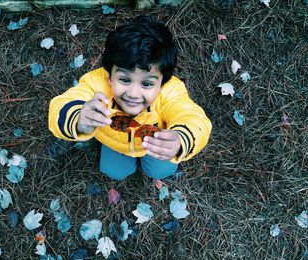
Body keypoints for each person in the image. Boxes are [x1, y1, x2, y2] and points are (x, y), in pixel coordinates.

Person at [48, 15, 212, 181]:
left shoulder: (170, 92)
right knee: (114, 172)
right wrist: (78, 118)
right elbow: (62, 104)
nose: (133, 93)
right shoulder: (96, 84)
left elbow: (192, 118)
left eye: (147, 84)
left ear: (162, 84)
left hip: (154, 145)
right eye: (125, 80)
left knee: (160, 171)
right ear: (109, 77)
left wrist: (180, 139)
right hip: (113, 143)